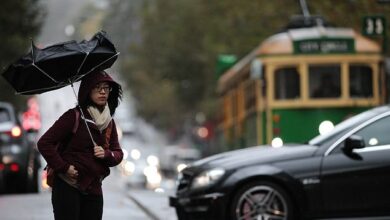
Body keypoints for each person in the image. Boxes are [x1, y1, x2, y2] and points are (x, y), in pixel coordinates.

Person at [37, 70, 124, 220]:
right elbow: (44, 143)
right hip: (67, 187)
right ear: (87, 91)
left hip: (94, 188)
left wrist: (106, 154)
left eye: (106, 88)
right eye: (98, 88)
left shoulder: (109, 122)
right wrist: (63, 167)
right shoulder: (74, 116)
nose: (103, 92)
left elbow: (118, 153)